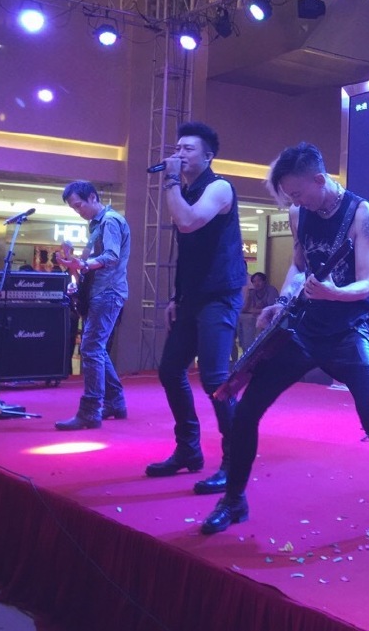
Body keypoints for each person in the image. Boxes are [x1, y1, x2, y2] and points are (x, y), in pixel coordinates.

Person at [200, 142, 369, 544]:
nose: (295, 201)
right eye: (290, 195)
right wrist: (283, 300)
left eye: (299, 193)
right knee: (246, 410)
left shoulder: (362, 214)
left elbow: (365, 285)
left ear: (320, 180)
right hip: (304, 329)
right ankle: (233, 500)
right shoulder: (297, 212)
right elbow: (298, 266)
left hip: (349, 330)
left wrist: (333, 293)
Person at [145, 121, 246, 496]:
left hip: (220, 295)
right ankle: (188, 449)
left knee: (216, 381)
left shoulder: (219, 187)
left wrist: (171, 180)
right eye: (177, 148)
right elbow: (187, 253)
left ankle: (234, 463)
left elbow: (187, 223)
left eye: (188, 149)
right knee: (170, 370)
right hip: (192, 297)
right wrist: (176, 297)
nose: (179, 153)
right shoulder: (185, 190)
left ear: (208, 156)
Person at [54, 181, 131, 430]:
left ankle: (91, 410)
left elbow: (111, 256)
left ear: (93, 197)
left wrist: (83, 264)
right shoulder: (99, 223)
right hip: (102, 292)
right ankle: (114, 402)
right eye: (74, 208)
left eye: (79, 205)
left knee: (91, 349)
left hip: (107, 292)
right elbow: (96, 261)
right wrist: (75, 263)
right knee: (95, 349)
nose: (78, 211)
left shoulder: (110, 221)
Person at [238, 271, 277, 356]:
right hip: (258, 318)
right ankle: (246, 351)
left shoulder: (271, 290)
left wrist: (256, 310)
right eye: (254, 281)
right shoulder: (253, 292)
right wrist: (248, 297)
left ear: (264, 281)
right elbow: (247, 309)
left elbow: (271, 309)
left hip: (271, 319)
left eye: (259, 280)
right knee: (242, 319)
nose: (256, 283)